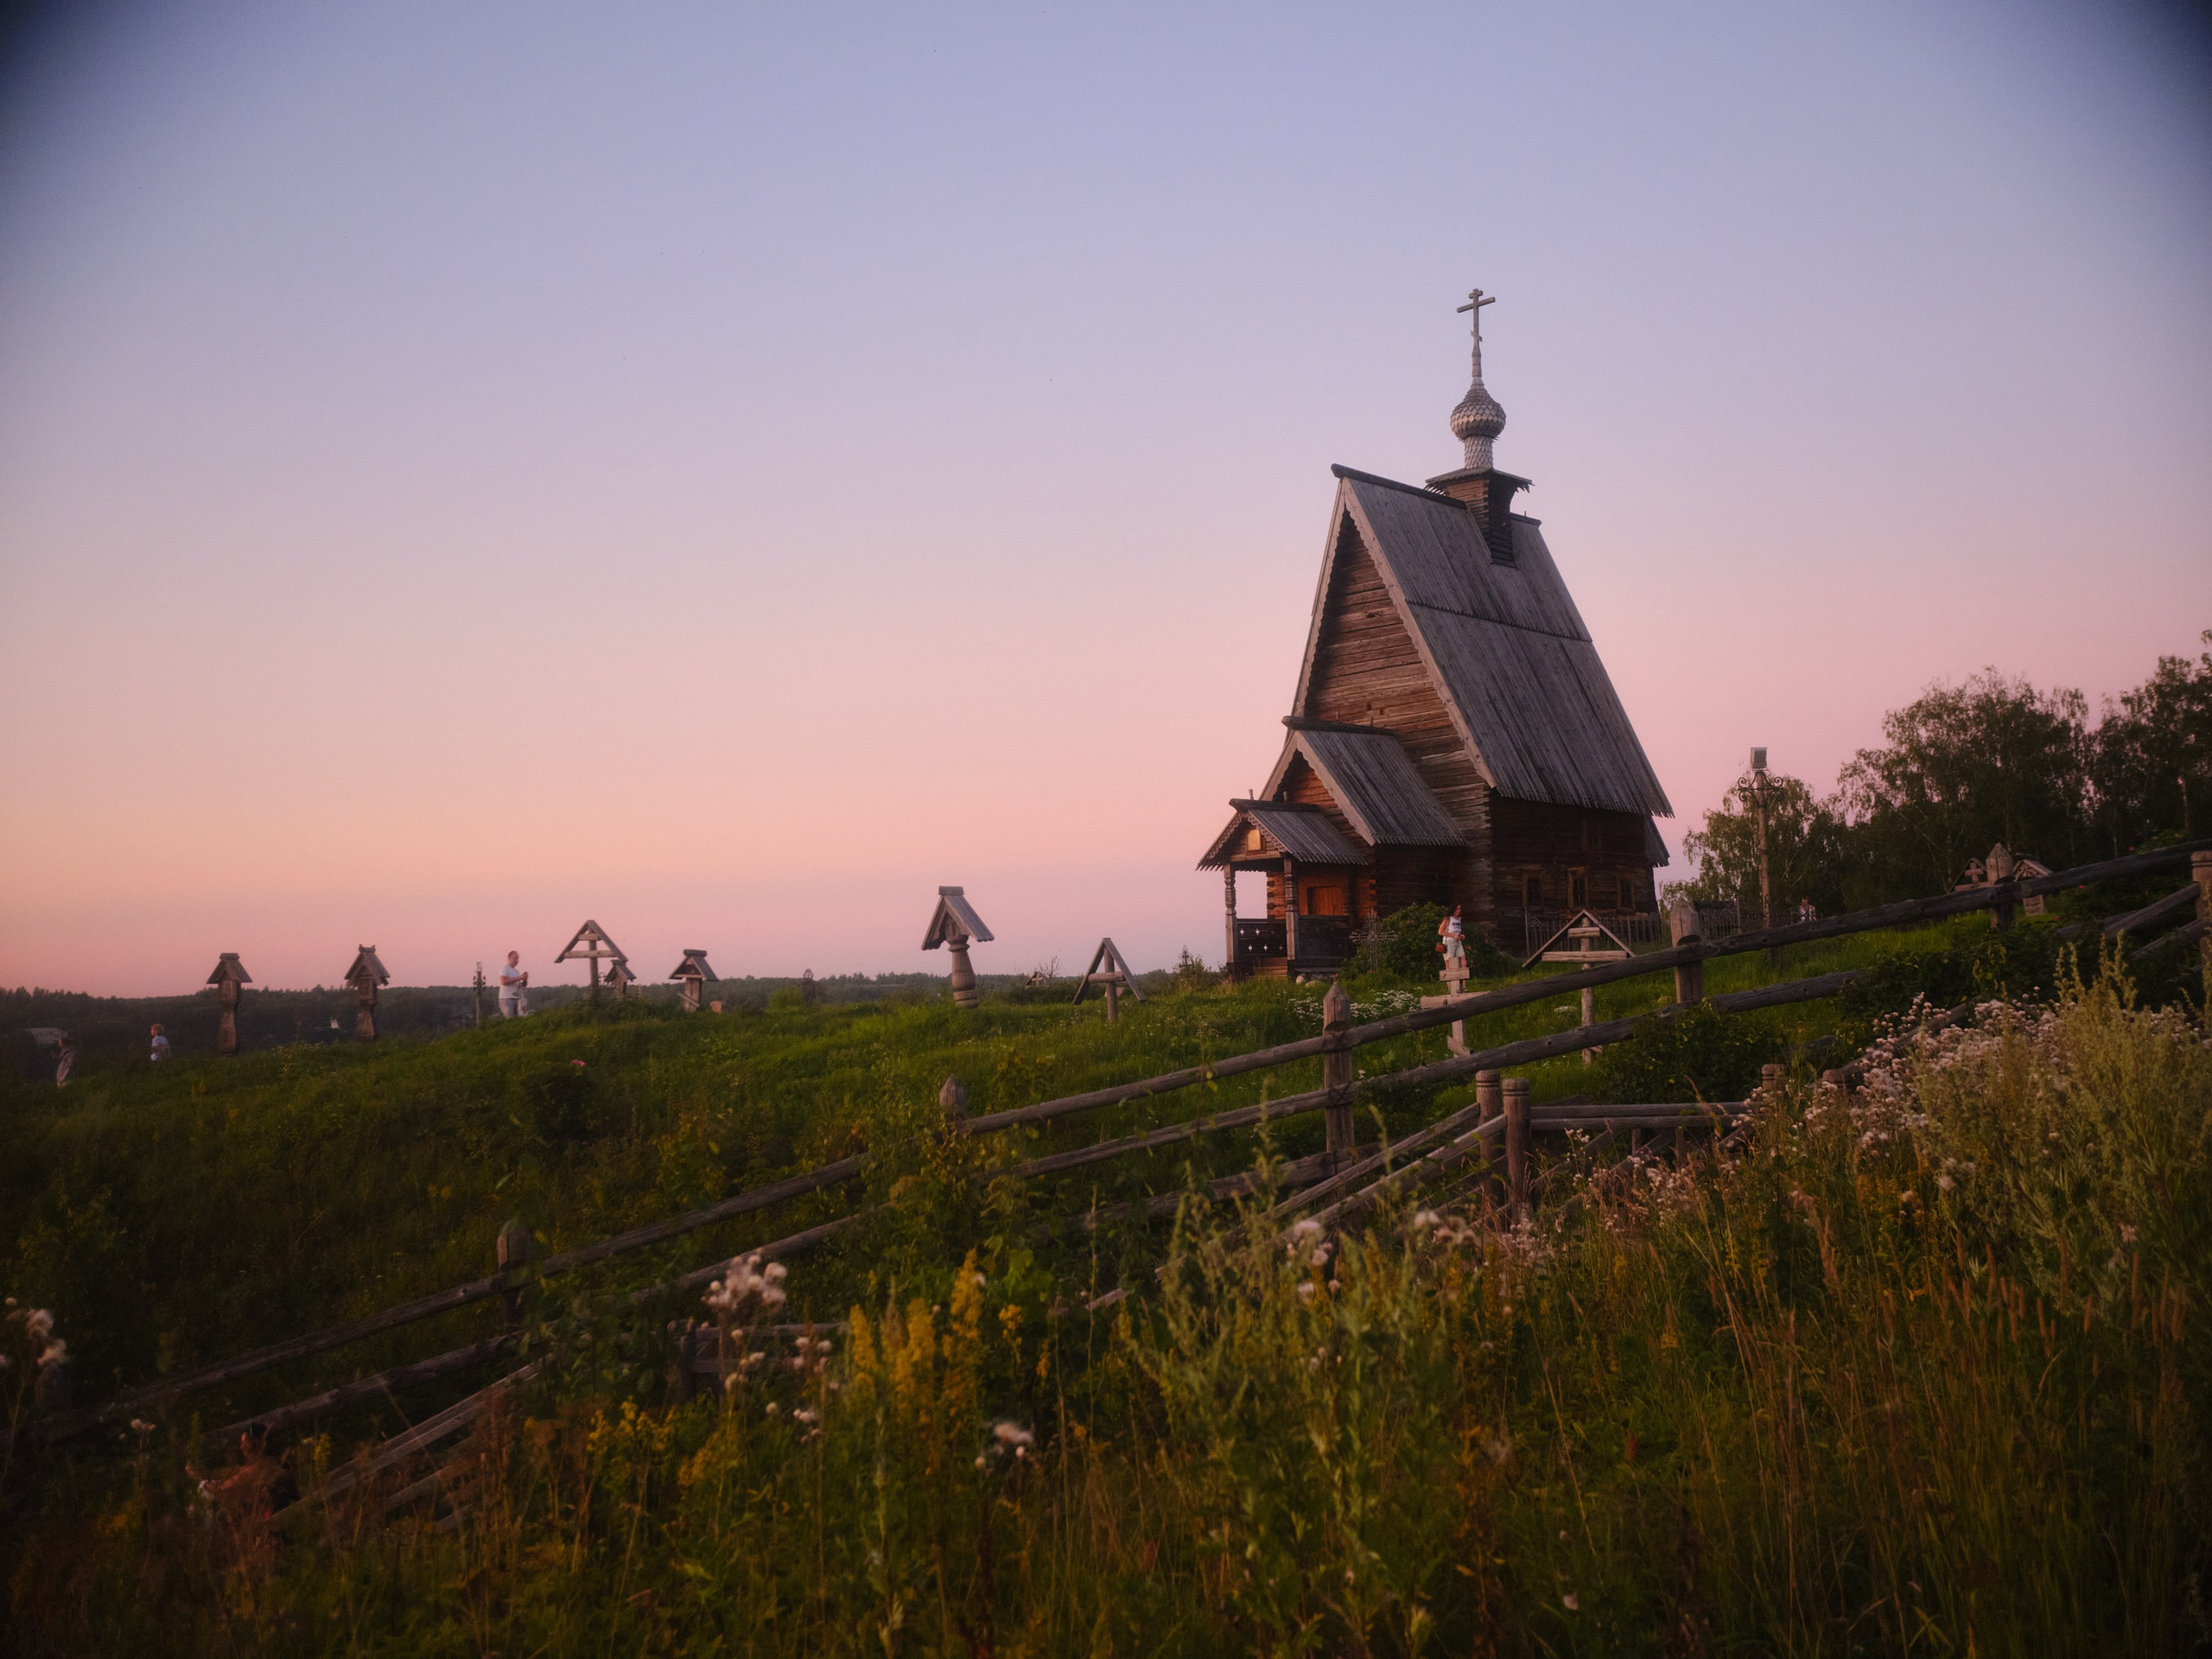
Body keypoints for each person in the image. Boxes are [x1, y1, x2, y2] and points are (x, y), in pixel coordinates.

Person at [1436, 905, 1469, 980]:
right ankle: (1450, 985)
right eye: (1457, 909)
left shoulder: (1459, 919)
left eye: (1460, 909)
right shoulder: (1448, 919)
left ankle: (1462, 985)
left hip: (1458, 942)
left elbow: (1456, 931)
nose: (1459, 911)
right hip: (1449, 942)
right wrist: (1453, 935)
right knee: (1449, 965)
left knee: (1463, 962)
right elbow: (1440, 932)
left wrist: (1460, 936)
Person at [498, 951, 530, 1019]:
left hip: (516, 998)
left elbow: (521, 986)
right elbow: (504, 981)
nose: (516, 960)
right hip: (506, 998)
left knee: (516, 1019)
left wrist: (525, 979)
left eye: (517, 958)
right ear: (509, 958)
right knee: (510, 1019)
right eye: (515, 958)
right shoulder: (505, 969)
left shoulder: (516, 972)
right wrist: (520, 978)